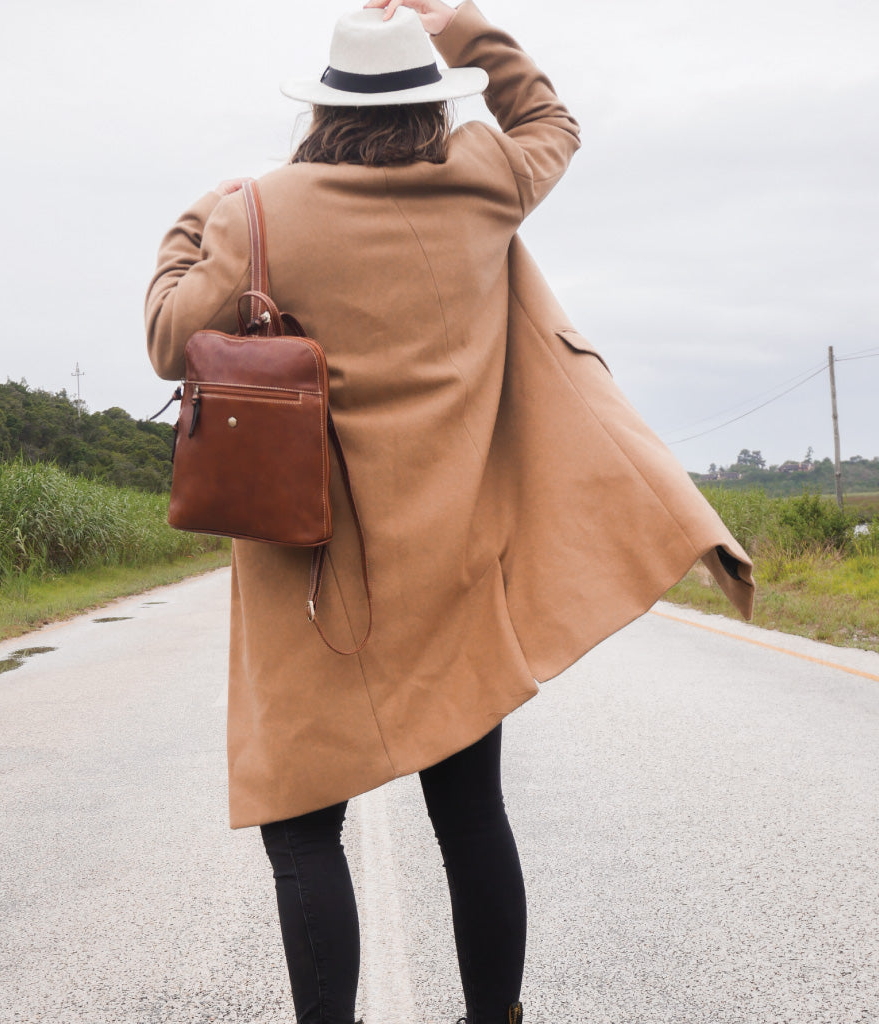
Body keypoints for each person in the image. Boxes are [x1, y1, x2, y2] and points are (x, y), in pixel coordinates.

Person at [144, 2, 755, 1022]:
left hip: (311, 580)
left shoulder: (257, 214)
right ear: (432, 103)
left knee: (302, 832)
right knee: (471, 818)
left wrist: (202, 213)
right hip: (452, 565)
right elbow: (549, 118)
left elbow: (170, 339)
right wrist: (463, 24)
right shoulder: (482, 181)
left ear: (323, 107)